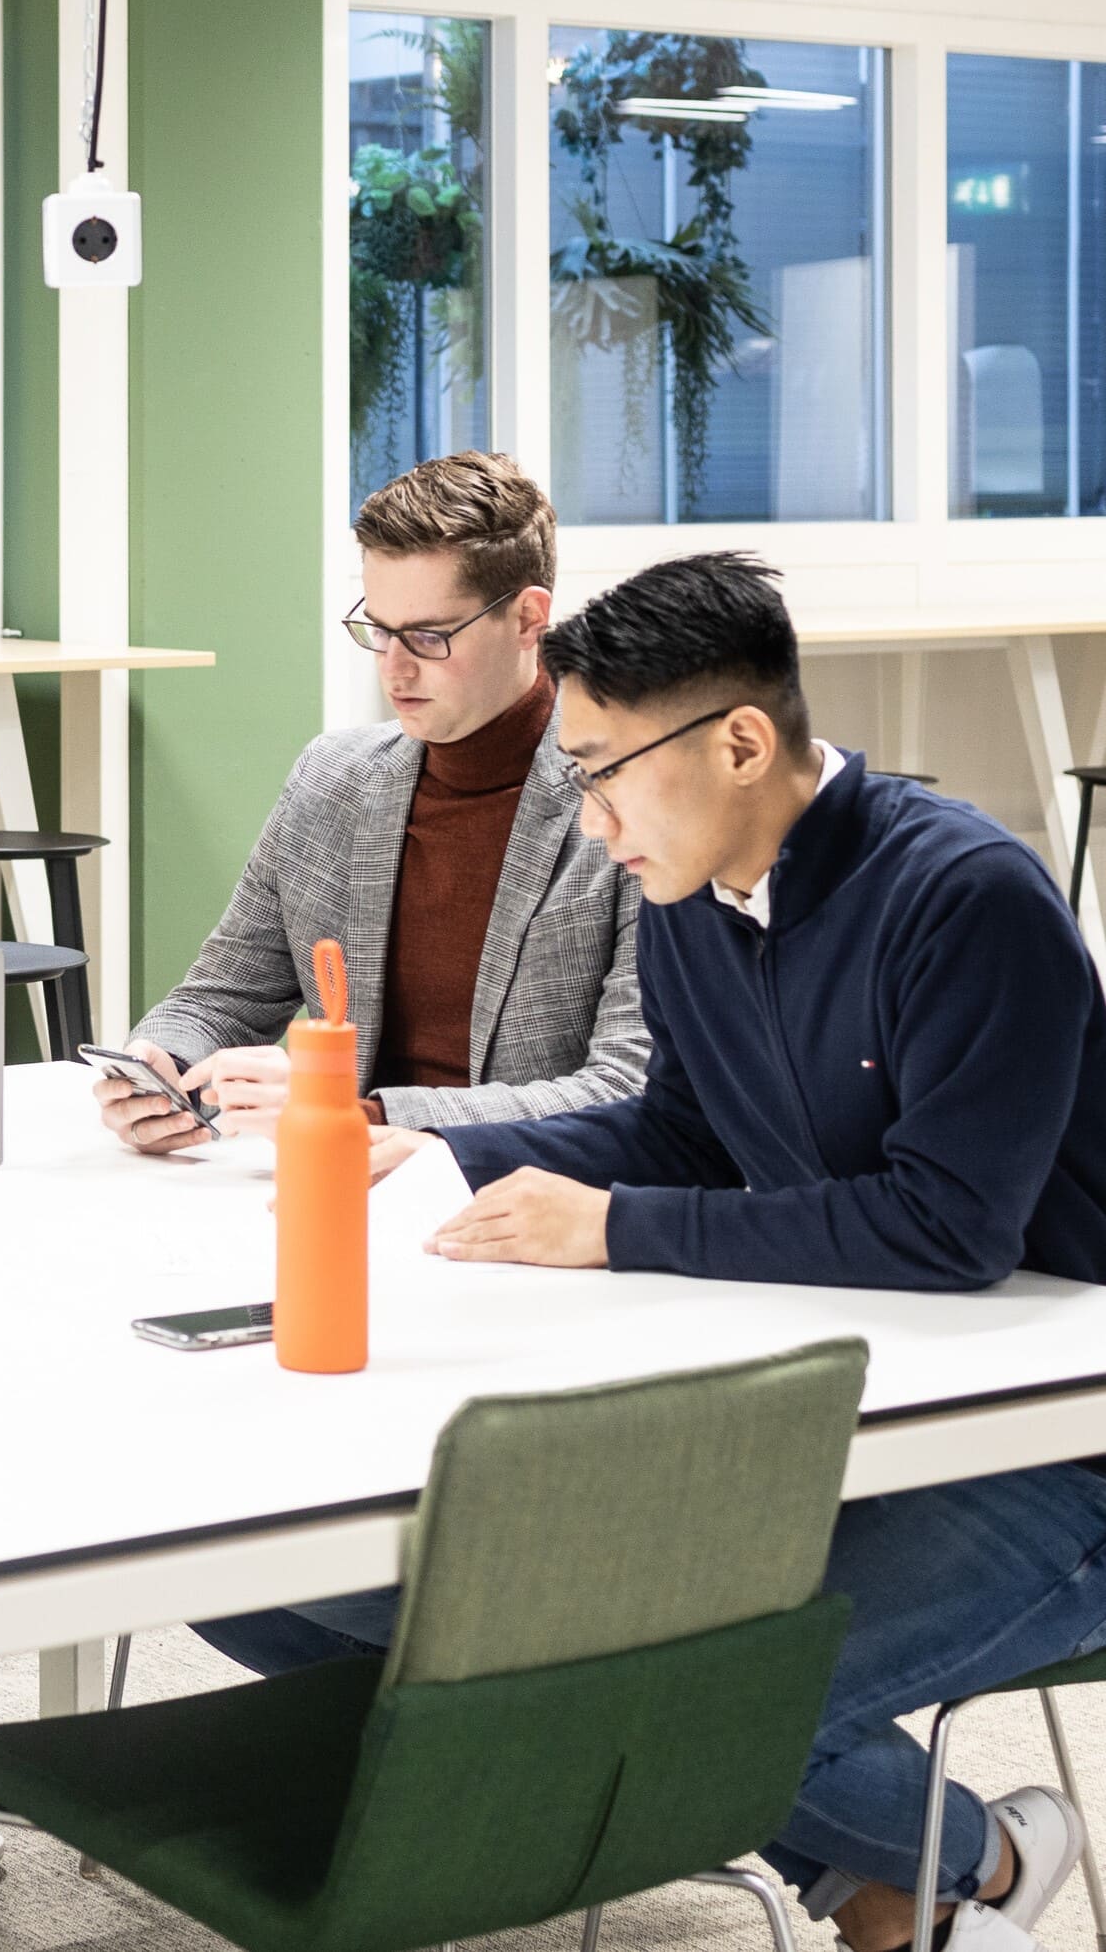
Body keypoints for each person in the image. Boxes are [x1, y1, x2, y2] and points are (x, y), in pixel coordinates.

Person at [245, 553, 1106, 1952]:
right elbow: (684, 1130)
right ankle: (898, 1883)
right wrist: (443, 1157)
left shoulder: (963, 896)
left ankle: (978, 1865)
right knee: (321, 1598)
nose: (588, 825)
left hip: (1046, 1450)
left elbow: (948, 1228)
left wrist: (611, 1227)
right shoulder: (692, 887)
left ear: (741, 741)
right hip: (841, 1406)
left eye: (598, 774)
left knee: (677, 1697)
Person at [94, 451, 644, 1152]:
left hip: (524, 1199)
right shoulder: (334, 778)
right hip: (339, 1185)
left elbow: (626, 1086)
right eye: (378, 629)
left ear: (527, 618)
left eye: (428, 636)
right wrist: (159, 1066)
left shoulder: (628, 799)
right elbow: (220, 999)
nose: (394, 667)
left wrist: (366, 1115)